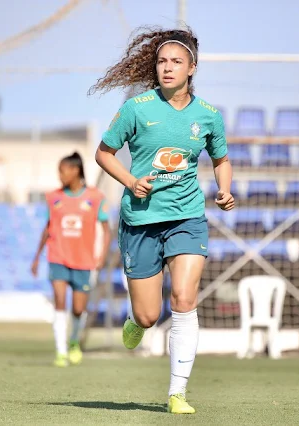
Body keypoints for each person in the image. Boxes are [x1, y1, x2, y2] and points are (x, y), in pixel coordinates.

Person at [89, 26, 235, 414]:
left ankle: (177, 393)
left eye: (176, 62)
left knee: (185, 299)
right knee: (149, 315)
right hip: (140, 220)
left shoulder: (208, 116)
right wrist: (131, 181)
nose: (167, 68)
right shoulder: (137, 109)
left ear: (192, 68)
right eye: (161, 62)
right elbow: (104, 154)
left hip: (187, 217)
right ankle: (137, 321)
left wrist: (224, 189)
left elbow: (221, 159)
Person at [31, 152, 111, 368]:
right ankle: (60, 351)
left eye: (62, 170)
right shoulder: (53, 197)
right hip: (57, 256)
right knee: (59, 301)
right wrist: (37, 257)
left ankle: (74, 341)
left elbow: (106, 229)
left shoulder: (95, 197)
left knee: (77, 308)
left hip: (83, 261)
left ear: (75, 170)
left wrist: (101, 255)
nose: (60, 175)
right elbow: (47, 228)